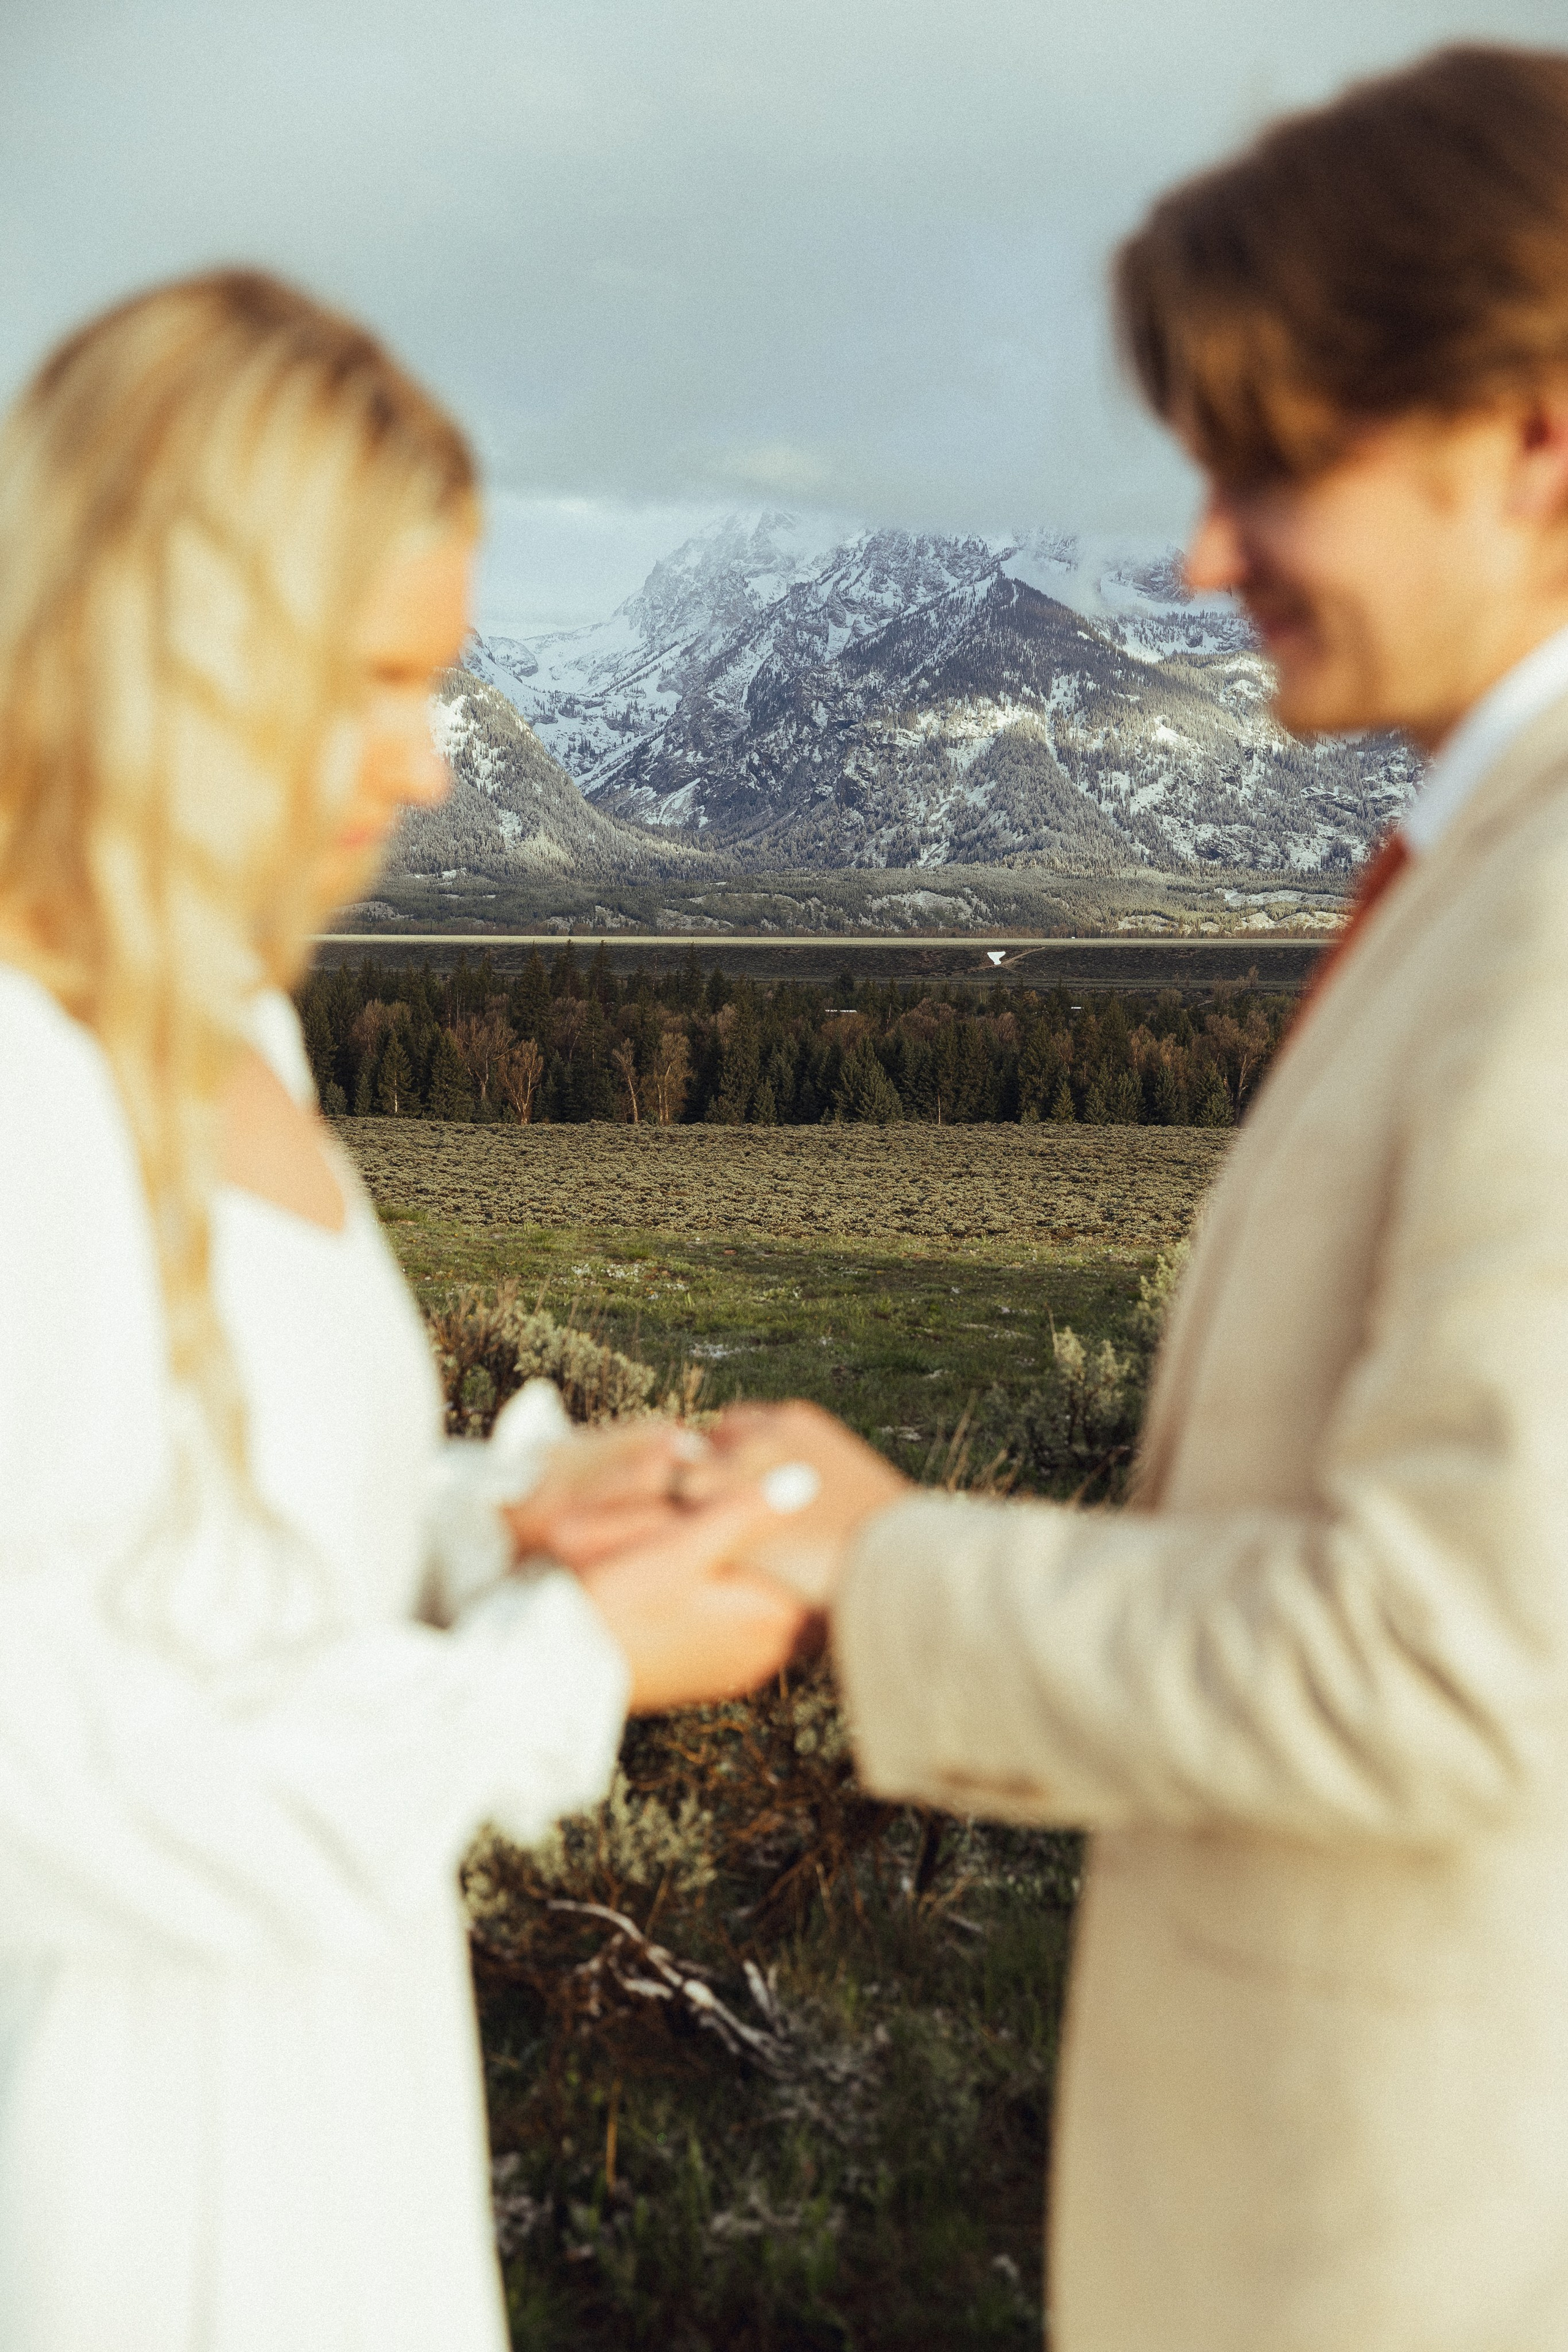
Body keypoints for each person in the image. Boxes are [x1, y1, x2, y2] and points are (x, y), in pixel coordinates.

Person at [580, 43, 1568, 2352]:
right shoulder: (1481, 877)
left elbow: (1447, 1665)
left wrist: (881, 1562)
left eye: (1270, 462)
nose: (1204, 556)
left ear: (1535, 441)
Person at [0, 270, 799, 2351]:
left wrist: (497, 1522)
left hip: (319, 2112)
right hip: (125, 2180)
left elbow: (170, 1542)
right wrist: (562, 1665)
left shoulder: (226, 1021)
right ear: (168, 645)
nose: (427, 769)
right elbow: (44, 1780)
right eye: (369, 682)